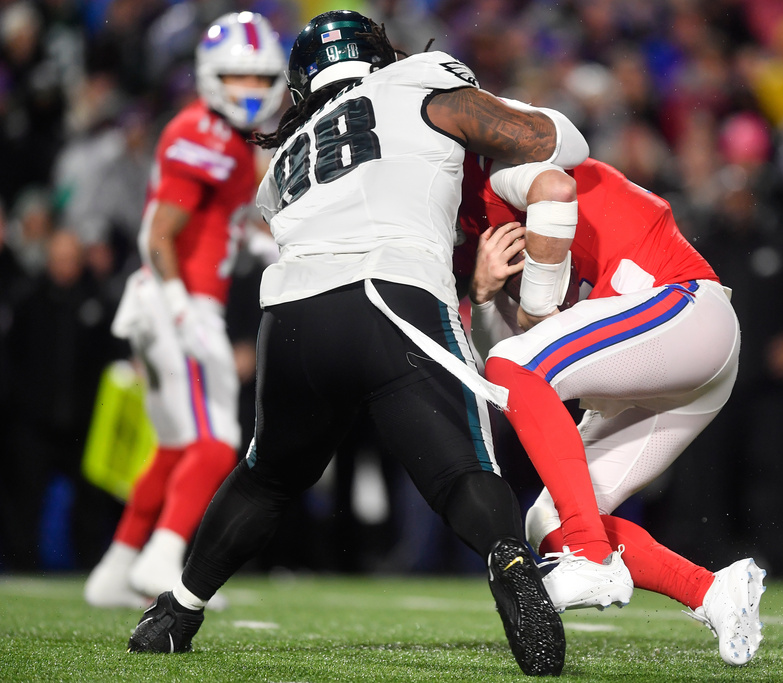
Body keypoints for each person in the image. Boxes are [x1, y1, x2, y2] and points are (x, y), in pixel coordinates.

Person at [125, 10, 590, 677]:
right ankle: (511, 561)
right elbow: (549, 140)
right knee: (460, 469)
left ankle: (176, 609)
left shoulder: (281, 156)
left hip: (289, 317)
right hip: (390, 292)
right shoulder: (415, 81)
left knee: (267, 474)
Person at [456, 155, 766, 666]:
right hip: (668, 363)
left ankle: (591, 556)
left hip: (686, 307)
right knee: (547, 519)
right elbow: (510, 371)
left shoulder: (513, 173)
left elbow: (557, 143)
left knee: (517, 368)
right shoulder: (495, 228)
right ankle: (715, 593)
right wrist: (485, 298)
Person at [83, 11, 287, 608]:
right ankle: (165, 561)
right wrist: (182, 308)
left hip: (171, 300)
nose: (249, 91)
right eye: (236, 78)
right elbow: (157, 232)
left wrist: (247, 238)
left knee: (176, 445)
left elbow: (214, 219)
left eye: (258, 80)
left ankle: (115, 570)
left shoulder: (221, 134)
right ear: (207, 75)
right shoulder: (202, 131)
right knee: (218, 440)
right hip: (177, 300)